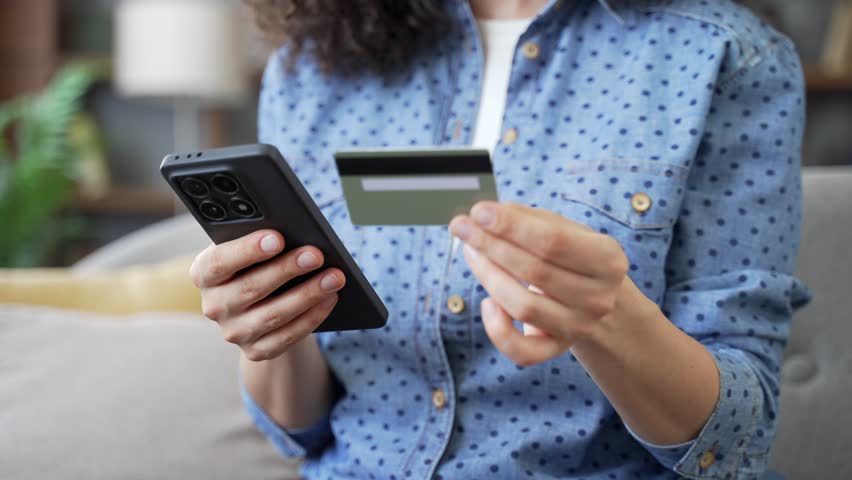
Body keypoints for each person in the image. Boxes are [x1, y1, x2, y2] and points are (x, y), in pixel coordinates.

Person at [189, 0, 810, 478]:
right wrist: (273, 327)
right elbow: (298, 430)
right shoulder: (312, 66)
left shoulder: (724, 55)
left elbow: (736, 439)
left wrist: (609, 318)